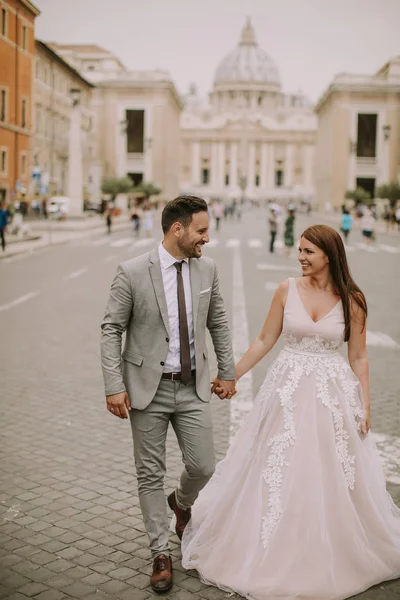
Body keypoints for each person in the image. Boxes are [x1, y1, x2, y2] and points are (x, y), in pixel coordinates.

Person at [182, 224, 400, 600]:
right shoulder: (286, 289)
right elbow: (265, 339)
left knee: (330, 471)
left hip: (333, 396)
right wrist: (230, 375)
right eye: (299, 250)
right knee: (279, 466)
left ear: (328, 256)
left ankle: (330, 547)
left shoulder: (353, 300)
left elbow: (359, 356)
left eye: (308, 252)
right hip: (286, 392)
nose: (300, 256)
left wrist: (365, 404)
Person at [100, 195, 236, 593]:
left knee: (204, 466)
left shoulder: (207, 269)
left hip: (193, 386)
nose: (207, 238)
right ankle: (160, 552)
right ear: (177, 229)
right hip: (147, 391)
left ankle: (181, 501)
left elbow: (219, 322)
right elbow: (111, 329)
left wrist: (226, 371)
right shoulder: (131, 271)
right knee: (149, 473)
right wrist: (114, 385)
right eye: (202, 230)